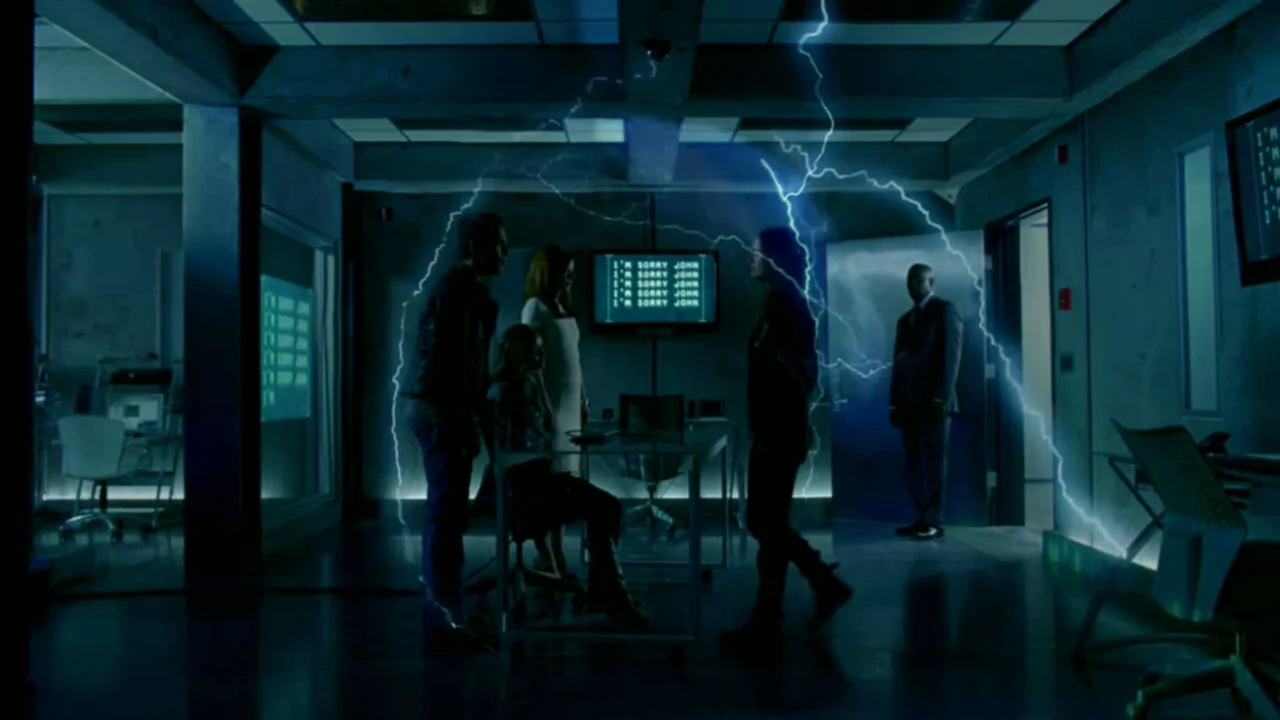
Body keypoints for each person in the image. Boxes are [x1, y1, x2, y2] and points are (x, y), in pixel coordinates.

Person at [721, 227, 853, 655]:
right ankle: (786, 605)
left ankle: (801, 596)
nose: (750, 258)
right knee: (768, 522)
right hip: (772, 430)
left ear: (776, 258)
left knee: (765, 522)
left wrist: (786, 408)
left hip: (780, 432)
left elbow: (803, 375)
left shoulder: (790, 308)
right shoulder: (776, 305)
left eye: (757, 252)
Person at [487, 324, 648, 630]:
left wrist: (540, 385)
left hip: (543, 476)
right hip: (523, 486)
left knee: (609, 506)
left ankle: (606, 593)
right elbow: (506, 452)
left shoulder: (531, 384)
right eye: (535, 350)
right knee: (604, 507)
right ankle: (612, 596)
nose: (542, 355)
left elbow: (547, 431)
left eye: (542, 349)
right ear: (519, 353)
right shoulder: (501, 393)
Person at [404, 211, 508, 654]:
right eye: (499, 244)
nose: (505, 253)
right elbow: (456, 369)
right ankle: (444, 623)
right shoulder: (458, 293)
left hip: (443, 414)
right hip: (442, 416)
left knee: (447, 520)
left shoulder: (467, 293)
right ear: (473, 246)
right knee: (446, 520)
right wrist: (471, 424)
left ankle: (447, 617)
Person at [519, 245, 586, 578]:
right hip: (551, 406)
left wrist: (584, 397)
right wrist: (543, 406)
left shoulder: (562, 307)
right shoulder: (536, 308)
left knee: (565, 483)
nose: (570, 279)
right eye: (565, 273)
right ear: (549, 274)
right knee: (549, 484)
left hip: (570, 405)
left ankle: (555, 552)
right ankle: (548, 553)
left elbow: (574, 359)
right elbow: (529, 364)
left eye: (572, 273)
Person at [889, 263, 963, 540]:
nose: (913, 285)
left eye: (919, 280)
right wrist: (894, 402)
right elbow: (898, 365)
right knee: (913, 464)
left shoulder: (944, 310)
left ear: (931, 282)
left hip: (934, 403)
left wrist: (941, 397)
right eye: (909, 280)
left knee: (933, 463)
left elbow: (952, 356)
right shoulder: (905, 320)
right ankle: (922, 517)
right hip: (908, 405)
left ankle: (933, 521)